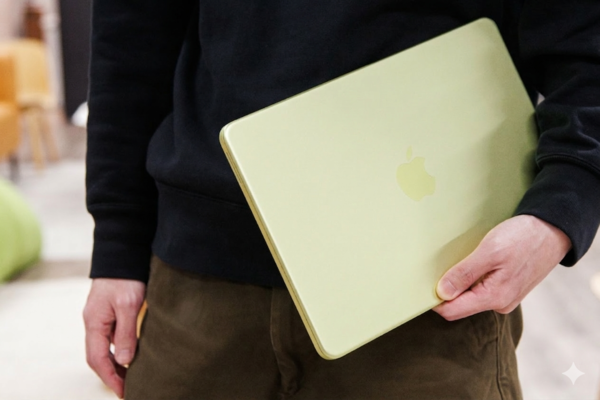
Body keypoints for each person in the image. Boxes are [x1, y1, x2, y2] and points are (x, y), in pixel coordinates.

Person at [83, 1, 600, 399]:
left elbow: (586, 39)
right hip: (201, 284)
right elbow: (131, 38)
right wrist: (117, 244)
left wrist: (562, 207)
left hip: (425, 289)